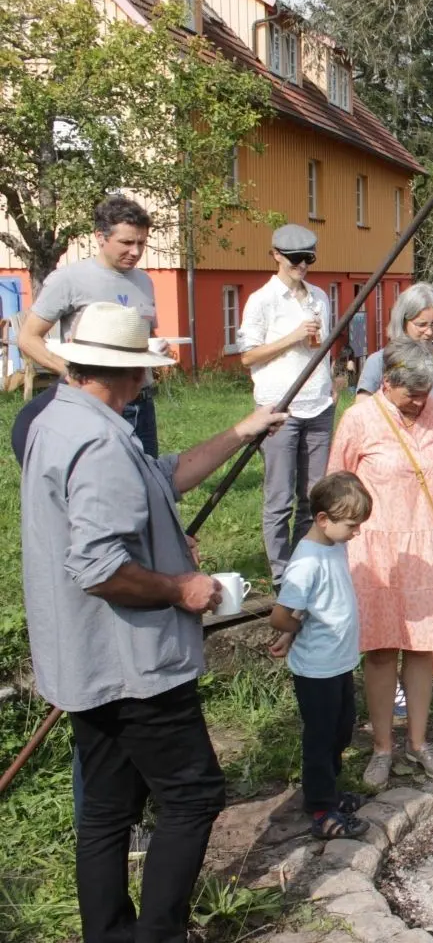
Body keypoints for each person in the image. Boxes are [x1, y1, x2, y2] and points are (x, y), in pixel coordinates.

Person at [20, 302, 285, 943]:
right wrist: (182, 587)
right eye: (141, 371)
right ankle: (158, 934)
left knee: (107, 809)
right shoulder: (99, 441)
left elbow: (161, 481)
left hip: (83, 661)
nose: (146, 382)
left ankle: (108, 933)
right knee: (193, 796)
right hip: (132, 663)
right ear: (122, 374)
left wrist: (240, 432)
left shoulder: (58, 420)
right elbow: (101, 566)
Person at [328, 339, 433, 785]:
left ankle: (419, 743)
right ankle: (382, 747)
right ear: (387, 382)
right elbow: (336, 485)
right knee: (382, 650)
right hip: (375, 550)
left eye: (427, 392)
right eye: (412, 394)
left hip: (425, 546)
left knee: (423, 648)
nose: (421, 402)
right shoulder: (359, 419)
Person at [358, 284, 433, 707]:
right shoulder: (378, 363)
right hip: (388, 495)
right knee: (396, 576)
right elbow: (365, 424)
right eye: (420, 323)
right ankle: (397, 677)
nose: (428, 331)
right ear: (402, 322)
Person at [267, 471, 373, 840]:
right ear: (324, 519)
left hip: (339, 662)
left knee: (343, 729)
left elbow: (306, 608)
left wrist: (290, 631)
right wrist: (291, 631)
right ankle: (320, 808)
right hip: (316, 669)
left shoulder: (333, 544)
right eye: (351, 525)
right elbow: (281, 613)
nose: (356, 532)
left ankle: (329, 790)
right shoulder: (306, 562)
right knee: (320, 738)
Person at [19, 196, 163, 456]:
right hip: (94, 403)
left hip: (141, 403)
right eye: (127, 242)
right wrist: (73, 374)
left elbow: (146, 335)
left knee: (148, 480)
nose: (136, 251)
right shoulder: (69, 279)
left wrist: (156, 348)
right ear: (100, 237)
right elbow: (28, 337)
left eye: (141, 243)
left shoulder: (144, 281)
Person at [237, 224, 335, 586]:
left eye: (308, 258)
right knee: (280, 498)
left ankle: (304, 563)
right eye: (295, 259)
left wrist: (330, 376)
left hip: (319, 405)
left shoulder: (320, 297)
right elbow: (248, 356)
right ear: (276, 255)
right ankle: (281, 574)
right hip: (279, 408)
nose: (302, 265)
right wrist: (292, 337)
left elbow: (320, 347)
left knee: (314, 495)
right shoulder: (261, 300)